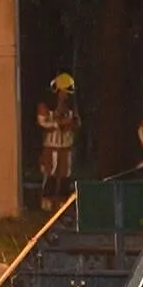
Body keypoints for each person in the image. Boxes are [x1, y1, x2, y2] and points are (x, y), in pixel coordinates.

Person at [36, 73, 82, 211]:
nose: (66, 96)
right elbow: (42, 122)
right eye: (64, 92)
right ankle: (47, 201)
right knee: (51, 172)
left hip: (66, 147)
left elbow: (77, 122)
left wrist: (70, 123)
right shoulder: (46, 107)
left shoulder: (71, 108)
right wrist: (58, 123)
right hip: (51, 147)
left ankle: (62, 201)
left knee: (65, 174)